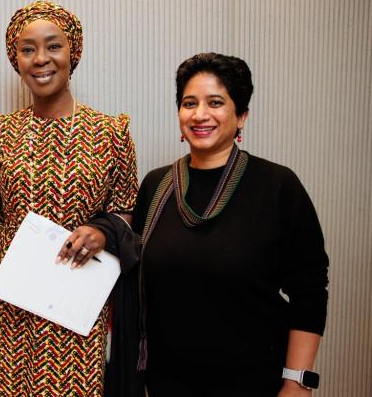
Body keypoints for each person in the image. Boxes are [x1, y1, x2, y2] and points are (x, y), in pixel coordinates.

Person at [91, 53, 329, 396]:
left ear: (241, 115)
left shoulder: (277, 186)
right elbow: (132, 273)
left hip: (254, 382)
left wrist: (296, 381)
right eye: (189, 103)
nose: (200, 114)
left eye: (215, 102)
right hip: (166, 383)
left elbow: (310, 289)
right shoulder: (156, 186)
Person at [0, 0, 139, 396]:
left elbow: (128, 214)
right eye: (28, 49)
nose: (41, 59)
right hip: (6, 307)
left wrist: (102, 232)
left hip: (74, 305)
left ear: (72, 52)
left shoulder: (111, 132)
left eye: (53, 46)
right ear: (16, 59)